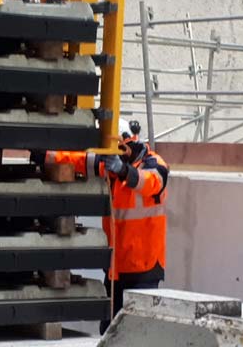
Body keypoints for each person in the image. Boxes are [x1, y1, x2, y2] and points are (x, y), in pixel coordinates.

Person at [45, 119, 169, 332]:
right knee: (110, 332)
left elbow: (150, 182)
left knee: (136, 333)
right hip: (117, 270)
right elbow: (80, 160)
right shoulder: (111, 164)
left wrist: (123, 171)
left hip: (143, 269)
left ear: (128, 144)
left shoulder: (154, 164)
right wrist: (46, 155)